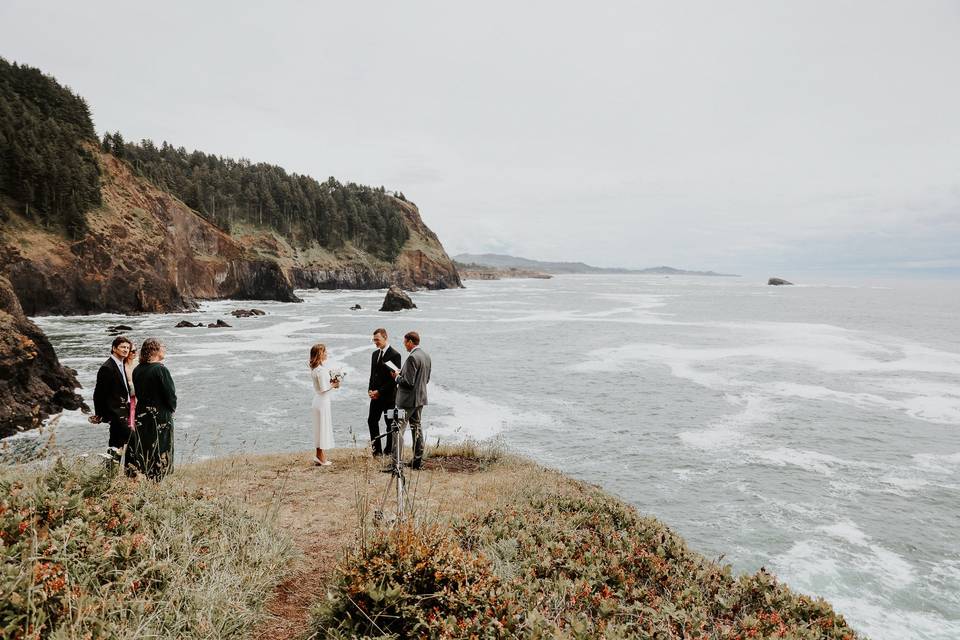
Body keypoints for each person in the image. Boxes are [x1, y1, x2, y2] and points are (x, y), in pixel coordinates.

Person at [127, 338, 177, 480]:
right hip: (159, 414)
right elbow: (170, 395)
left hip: (141, 413)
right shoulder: (161, 369)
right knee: (161, 446)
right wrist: (171, 409)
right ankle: (158, 478)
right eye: (163, 347)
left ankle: (145, 474)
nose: (165, 349)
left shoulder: (137, 369)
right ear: (155, 350)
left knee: (146, 446)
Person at [391, 331, 431, 469]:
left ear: (410, 342)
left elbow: (408, 382)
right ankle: (417, 461)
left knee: (397, 428)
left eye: (405, 342)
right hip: (420, 399)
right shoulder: (426, 356)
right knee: (416, 428)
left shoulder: (412, 358)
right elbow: (426, 379)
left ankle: (396, 463)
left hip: (407, 401)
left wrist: (396, 376)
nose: (404, 345)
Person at [92, 336, 133, 458]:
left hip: (123, 410)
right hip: (115, 412)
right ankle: (128, 472)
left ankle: (112, 472)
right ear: (114, 348)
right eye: (122, 347)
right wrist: (100, 415)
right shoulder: (107, 368)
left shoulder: (121, 365)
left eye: (127, 347)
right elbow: (99, 393)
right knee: (131, 440)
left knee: (116, 443)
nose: (126, 350)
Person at [367, 328, 402, 457]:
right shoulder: (374, 354)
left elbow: (394, 380)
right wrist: (370, 390)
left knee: (389, 424)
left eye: (377, 339)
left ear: (385, 337)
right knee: (372, 421)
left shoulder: (395, 355)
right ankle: (376, 451)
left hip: (389, 397)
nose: (375, 342)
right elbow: (372, 375)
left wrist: (379, 392)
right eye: (374, 339)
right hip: (375, 396)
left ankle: (388, 451)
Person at [309, 343, 340, 466]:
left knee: (319, 429)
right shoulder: (321, 370)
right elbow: (323, 388)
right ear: (320, 354)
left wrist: (331, 383)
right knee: (322, 429)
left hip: (318, 400)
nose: (326, 353)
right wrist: (334, 384)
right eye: (324, 352)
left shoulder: (316, 369)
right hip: (322, 401)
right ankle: (321, 458)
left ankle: (319, 456)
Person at [124, 343, 137, 430]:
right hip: (129, 396)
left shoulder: (139, 363)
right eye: (132, 351)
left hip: (139, 394)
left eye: (135, 351)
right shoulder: (123, 367)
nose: (134, 353)